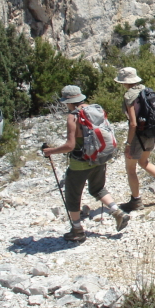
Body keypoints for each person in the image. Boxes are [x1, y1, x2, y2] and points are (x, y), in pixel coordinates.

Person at [42, 85, 130, 242]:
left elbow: (70, 146)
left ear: (69, 102)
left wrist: (50, 151)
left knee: (72, 195)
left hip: (80, 164)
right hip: (99, 157)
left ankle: (77, 230)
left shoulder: (73, 117)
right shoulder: (96, 109)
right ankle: (118, 212)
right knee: (98, 188)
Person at [115, 67, 155, 212]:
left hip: (138, 136)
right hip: (151, 132)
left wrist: (128, 144)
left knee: (131, 169)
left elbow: (133, 123)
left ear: (125, 82)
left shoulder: (129, 96)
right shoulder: (147, 90)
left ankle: (136, 201)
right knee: (143, 161)